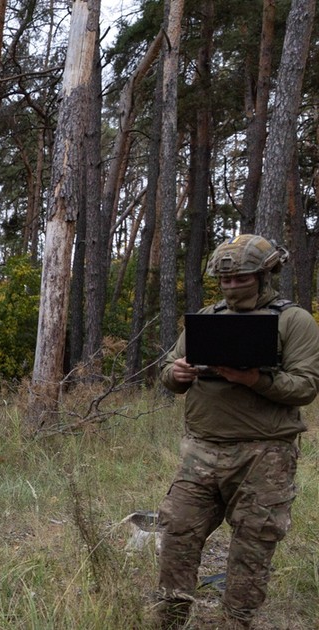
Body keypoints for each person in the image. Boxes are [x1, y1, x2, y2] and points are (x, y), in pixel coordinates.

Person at [155, 235, 319, 629]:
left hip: (265, 455)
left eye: (240, 279)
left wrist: (253, 379)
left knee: (253, 543)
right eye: (224, 281)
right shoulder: (206, 318)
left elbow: (306, 387)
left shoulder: (293, 321)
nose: (230, 287)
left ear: (264, 276)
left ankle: (236, 620)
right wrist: (175, 374)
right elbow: (168, 372)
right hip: (202, 451)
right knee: (178, 529)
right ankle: (172, 616)